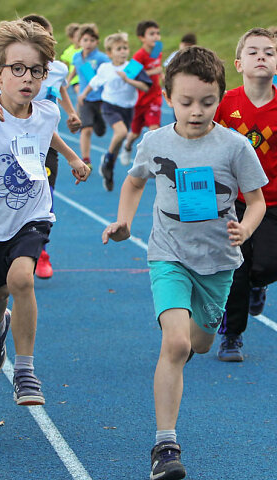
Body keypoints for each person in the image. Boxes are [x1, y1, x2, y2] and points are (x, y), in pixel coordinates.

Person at [102, 46, 267, 480]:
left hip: (218, 262)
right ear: (168, 98)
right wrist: (123, 222)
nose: (197, 111)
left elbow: (256, 202)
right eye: (186, 101)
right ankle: (165, 446)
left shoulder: (234, 146)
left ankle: (195, 341)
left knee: (200, 344)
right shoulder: (155, 142)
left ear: (220, 97)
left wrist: (246, 229)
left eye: (207, 102)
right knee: (175, 345)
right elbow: (134, 182)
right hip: (168, 254)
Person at [0, 19, 90, 406]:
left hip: (33, 214)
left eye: (36, 71)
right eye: (18, 69)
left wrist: (73, 158)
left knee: (21, 279)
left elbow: (48, 133)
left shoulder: (47, 111)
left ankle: (25, 371)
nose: (28, 78)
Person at [214, 28, 277, 361]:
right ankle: (232, 336)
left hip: (272, 202)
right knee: (236, 269)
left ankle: (259, 283)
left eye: (269, 51)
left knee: (265, 265)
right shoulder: (226, 104)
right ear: (239, 64)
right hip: (233, 202)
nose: (261, 56)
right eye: (253, 52)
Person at [21, 14, 81, 279]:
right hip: (16, 144)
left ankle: (41, 251)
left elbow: (61, 89)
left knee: (46, 197)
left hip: (47, 145)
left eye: (48, 36)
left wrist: (71, 113)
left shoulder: (58, 69)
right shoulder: (14, 70)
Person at [78, 32, 151, 191]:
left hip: (128, 109)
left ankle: (109, 167)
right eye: (119, 49)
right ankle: (107, 160)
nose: (123, 51)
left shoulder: (132, 67)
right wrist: (83, 94)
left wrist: (128, 80)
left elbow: (145, 87)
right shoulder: (105, 68)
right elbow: (94, 82)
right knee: (121, 132)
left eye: (125, 48)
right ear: (110, 53)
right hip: (109, 106)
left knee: (119, 141)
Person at [68, 23, 110, 170]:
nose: (88, 43)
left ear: (97, 42)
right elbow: (75, 69)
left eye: (92, 40)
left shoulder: (101, 58)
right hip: (84, 99)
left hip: (100, 99)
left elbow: (110, 71)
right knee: (86, 129)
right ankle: (86, 160)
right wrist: (67, 81)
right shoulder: (77, 56)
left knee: (100, 131)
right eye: (85, 40)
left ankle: (99, 123)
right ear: (79, 41)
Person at [120, 20, 163, 165]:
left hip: (155, 97)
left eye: (157, 33)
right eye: (152, 34)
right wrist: (152, 72)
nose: (156, 37)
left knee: (154, 129)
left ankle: (152, 160)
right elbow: (129, 76)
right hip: (139, 100)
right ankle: (127, 146)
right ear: (142, 38)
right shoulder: (139, 56)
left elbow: (159, 68)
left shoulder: (157, 50)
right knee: (135, 133)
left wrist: (163, 77)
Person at [60, 23, 81, 94]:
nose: (80, 38)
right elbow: (63, 67)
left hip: (87, 77)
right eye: (77, 36)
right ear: (71, 38)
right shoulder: (68, 52)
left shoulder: (85, 49)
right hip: (76, 80)